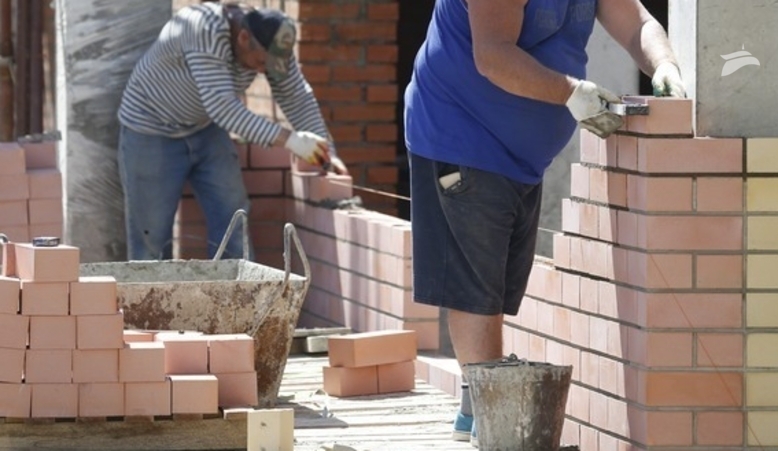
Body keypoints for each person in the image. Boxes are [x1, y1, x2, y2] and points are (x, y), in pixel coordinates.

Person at [403, 0, 685, 445]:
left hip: (520, 156)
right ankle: (489, 416)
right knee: (477, 286)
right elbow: (493, 55)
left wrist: (665, 65)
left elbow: (638, 25)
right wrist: (572, 92)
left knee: (497, 283)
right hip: (461, 133)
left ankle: (477, 405)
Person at [117, 2, 347, 261]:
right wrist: (291, 140)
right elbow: (223, 108)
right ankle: (152, 289)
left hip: (204, 127)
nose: (263, 71)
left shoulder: (273, 40)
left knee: (233, 215)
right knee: (151, 235)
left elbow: (296, 97)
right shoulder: (203, 29)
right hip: (150, 128)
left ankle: (235, 286)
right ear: (243, 37)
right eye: (260, 62)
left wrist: (327, 152)